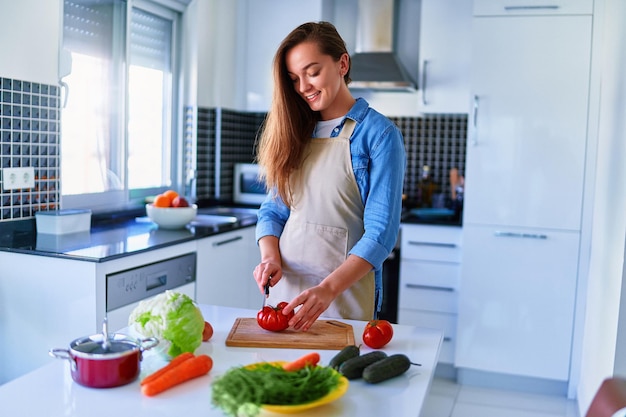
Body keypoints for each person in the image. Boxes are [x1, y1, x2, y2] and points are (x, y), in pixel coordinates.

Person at [253, 21, 406, 331]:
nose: (303, 87)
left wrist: (328, 289)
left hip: (343, 297)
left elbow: (380, 235)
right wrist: (270, 257)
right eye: (295, 78)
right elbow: (273, 210)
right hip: (287, 296)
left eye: (313, 72)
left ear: (342, 64)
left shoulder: (379, 135)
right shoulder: (294, 131)